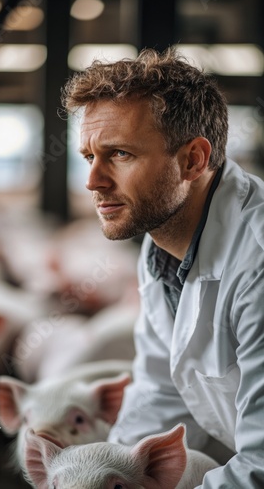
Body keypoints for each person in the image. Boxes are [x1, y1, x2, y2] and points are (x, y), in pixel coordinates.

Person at [61, 47, 264, 487]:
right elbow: (159, 393)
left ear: (192, 160)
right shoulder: (161, 248)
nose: (93, 181)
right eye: (89, 157)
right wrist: (109, 474)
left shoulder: (257, 263)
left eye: (120, 155)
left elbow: (261, 468)